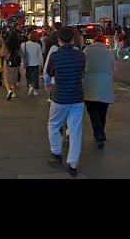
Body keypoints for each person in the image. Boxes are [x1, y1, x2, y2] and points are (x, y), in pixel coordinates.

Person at [45, 26, 86, 177]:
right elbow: (82, 73)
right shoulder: (81, 55)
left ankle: (56, 154)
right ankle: (73, 164)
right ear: (73, 39)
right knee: (75, 130)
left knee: (54, 125)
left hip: (60, 97)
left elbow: (48, 74)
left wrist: (48, 85)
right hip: (77, 97)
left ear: (59, 39)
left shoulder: (55, 56)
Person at [82, 34, 114, 149]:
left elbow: (82, 66)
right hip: (105, 85)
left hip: (89, 84)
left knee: (93, 112)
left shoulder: (86, 50)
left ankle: (99, 134)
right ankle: (101, 133)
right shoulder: (109, 52)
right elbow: (112, 69)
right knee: (103, 112)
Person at [1, 30, 22, 100]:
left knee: (6, 78)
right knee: (14, 78)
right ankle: (14, 93)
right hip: (16, 64)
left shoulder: (5, 44)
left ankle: (9, 90)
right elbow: (21, 54)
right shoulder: (18, 45)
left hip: (7, 63)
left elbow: (2, 53)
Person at [22, 30, 43, 96]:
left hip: (27, 63)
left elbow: (22, 54)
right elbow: (40, 55)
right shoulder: (38, 45)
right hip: (36, 63)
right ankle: (35, 91)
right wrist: (41, 64)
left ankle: (30, 86)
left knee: (28, 76)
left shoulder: (24, 44)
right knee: (36, 77)